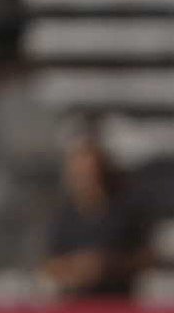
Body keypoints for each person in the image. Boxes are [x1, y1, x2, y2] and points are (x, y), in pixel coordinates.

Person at [38, 119, 154, 299]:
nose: (85, 177)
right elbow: (49, 263)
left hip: (116, 305)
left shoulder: (126, 210)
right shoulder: (62, 215)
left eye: (90, 169)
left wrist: (107, 265)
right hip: (73, 305)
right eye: (79, 171)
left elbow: (147, 258)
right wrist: (75, 268)